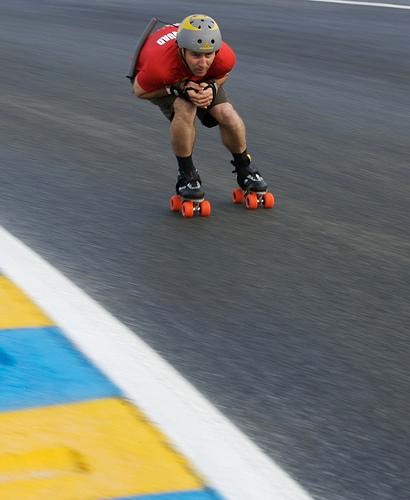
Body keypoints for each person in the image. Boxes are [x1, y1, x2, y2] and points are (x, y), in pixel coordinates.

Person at [133, 14, 268, 200]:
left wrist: (212, 86)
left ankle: (245, 167)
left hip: (200, 81)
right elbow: (139, 91)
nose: (203, 63)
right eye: (196, 55)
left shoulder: (225, 56)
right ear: (182, 50)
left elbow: (223, 74)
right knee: (185, 107)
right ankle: (187, 175)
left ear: (216, 51)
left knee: (226, 113)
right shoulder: (160, 67)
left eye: (208, 55)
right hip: (166, 82)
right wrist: (178, 88)